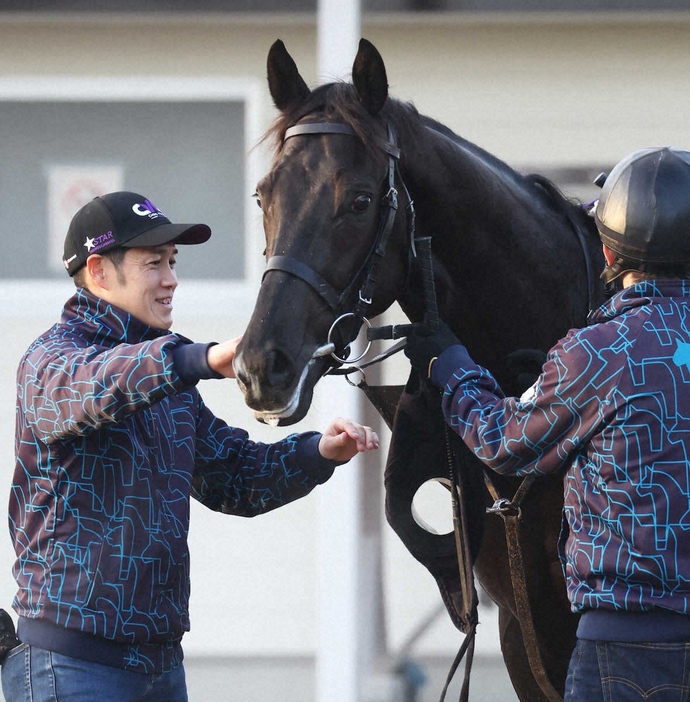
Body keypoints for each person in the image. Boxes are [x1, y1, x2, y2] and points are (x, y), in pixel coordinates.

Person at [2, 191, 379, 702]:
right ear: (98, 271)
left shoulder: (167, 381)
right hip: (70, 668)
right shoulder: (51, 364)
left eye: (173, 262)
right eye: (153, 263)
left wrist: (319, 453)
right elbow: (100, 385)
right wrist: (197, 360)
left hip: (161, 668)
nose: (171, 279)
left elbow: (238, 478)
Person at [404, 147, 690, 702]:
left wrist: (452, 365)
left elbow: (501, 442)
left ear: (609, 249)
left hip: (621, 652)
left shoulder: (596, 354)